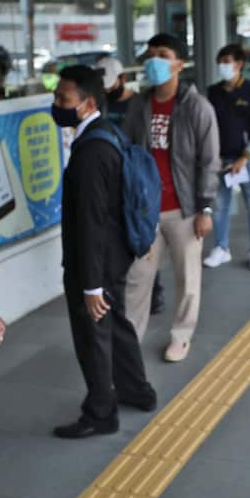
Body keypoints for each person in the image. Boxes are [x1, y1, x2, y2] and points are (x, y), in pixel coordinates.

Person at [50, 65, 157, 440]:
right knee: (117, 325)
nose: (56, 104)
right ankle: (137, 391)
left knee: (92, 334)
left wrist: (90, 284)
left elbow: (91, 221)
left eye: (63, 99)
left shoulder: (91, 151)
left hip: (94, 262)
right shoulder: (105, 131)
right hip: (115, 253)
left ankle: (100, 413)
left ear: (88, 103)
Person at [123, 33, 220, 364]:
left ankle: (181, 336)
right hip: (145, 211)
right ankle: (130, 339)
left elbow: (209, 160)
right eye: (150, 54)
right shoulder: (139, 105)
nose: (154, 61)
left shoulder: (196, 107)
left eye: (162, 54)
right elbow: (129, 154)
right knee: (137, 279)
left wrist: (205, 207)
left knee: (187, 278)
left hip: (184, 210)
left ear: (179, 63)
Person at [98, 56, 165, 314]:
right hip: (109, 176)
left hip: (134, 176)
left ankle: (154, 290)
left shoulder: (138, 105)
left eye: (109, 83)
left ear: (123, 79)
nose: (105, 89)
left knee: (141, 232)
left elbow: (144, 143)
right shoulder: (102, 102)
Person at [204, 43, 250, 271]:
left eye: (227, 62)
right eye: (220, 62)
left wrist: (245, 156)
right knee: (220, 204)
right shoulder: (213, 92)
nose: (222, 66)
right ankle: (221, 248)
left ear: (239, 64)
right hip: (219, 159)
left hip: (245, 158)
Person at [95, 56, 133, 131]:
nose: (107, 91)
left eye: (111, 86)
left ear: (123, 78)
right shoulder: (100, 103)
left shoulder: (140, 103)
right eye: (103, 88)